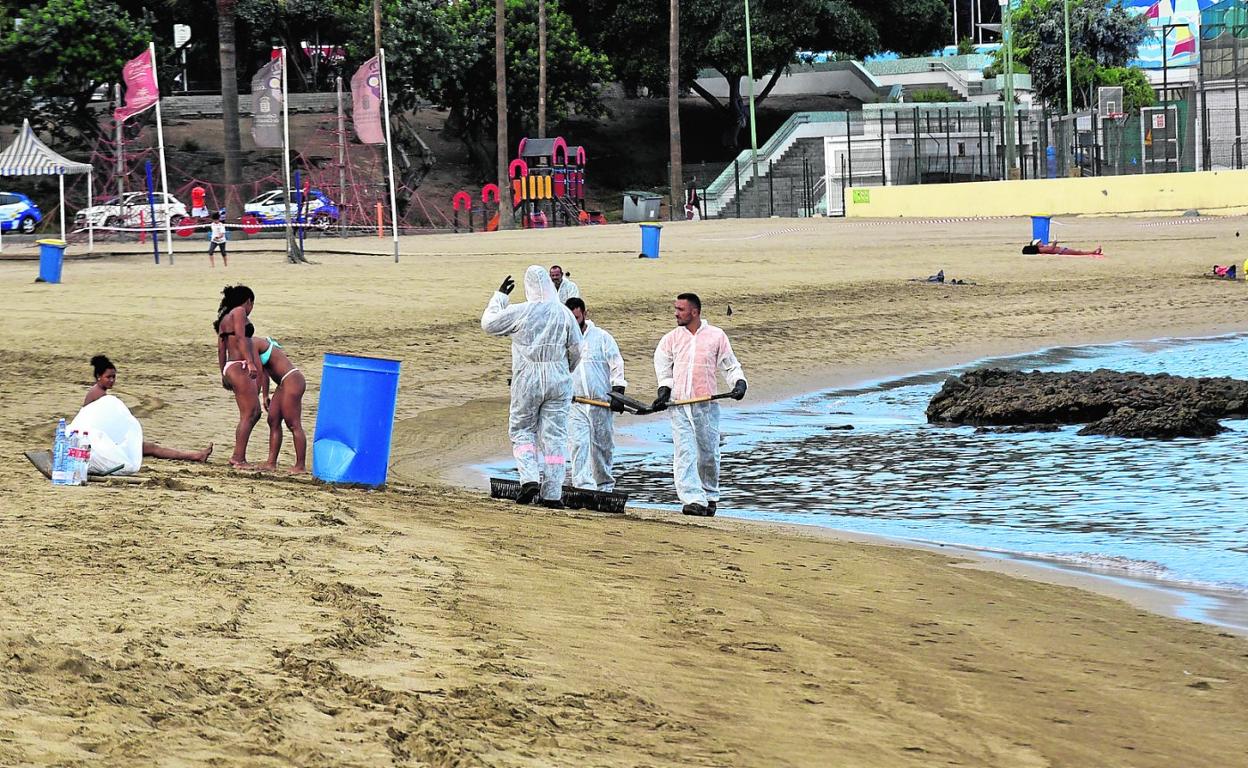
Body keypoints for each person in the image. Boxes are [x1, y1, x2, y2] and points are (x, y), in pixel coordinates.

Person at [482, 265, 582, 507]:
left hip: (527, 378)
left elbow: (488, 324)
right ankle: (552, 493)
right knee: (556, 437)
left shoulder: (522, 311)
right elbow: (576, 348)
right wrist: (564, 370)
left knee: (522, 431)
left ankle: (528, 478)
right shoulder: (564, 313)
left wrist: (499, 297)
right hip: (558, 378)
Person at [651, 292, 747, 517]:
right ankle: (692, 498)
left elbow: (730, 365)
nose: (676, 313)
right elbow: (662, 361)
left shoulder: (716, 336)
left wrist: (739, 383)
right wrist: (665, 387)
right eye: (675, 309)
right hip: (679, 404)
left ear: (694, 312)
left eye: (680, 310)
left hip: (705, 405)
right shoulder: (672, 338)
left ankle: (710, 495)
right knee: (684, 451)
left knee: (708, 452)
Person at [84, 354, 213, 462]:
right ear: (98, 377)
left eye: (114, 377)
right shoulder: (98, 394)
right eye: (108, 377)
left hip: (102, 440)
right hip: (100, 443)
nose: (112, 380)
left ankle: (195, 455)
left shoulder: (97, 392)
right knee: (152, 448)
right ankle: (195, 456)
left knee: (150, 447)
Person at [565, 297, 626, 493]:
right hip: (576, 404)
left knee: (602, 447)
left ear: (584, 314)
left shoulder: (602, 337)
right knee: (578, 445)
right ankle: (582, 486)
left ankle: (604, 487)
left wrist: (618, 392)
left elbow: (616, 364)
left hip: (601, 403)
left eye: (577, 317)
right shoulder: (563, 339)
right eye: (570, 318)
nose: (574, 322)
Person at [214, 285, 263, 468]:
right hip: (239, 364)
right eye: (252, 304)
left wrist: (223, 372)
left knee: (252, 413)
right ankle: (238, 458)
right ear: (248, 301)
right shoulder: (240, 311)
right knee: (250, 412)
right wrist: (250, 362)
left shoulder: (224, 318)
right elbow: (242, 339)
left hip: (230, 365)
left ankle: (238, 455)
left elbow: (220, 348)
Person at [252, 335, 308, 474]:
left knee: (293, 424)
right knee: (273, 420)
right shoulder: (253, 345)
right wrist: (265, 395)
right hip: (283, 383)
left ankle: (300, 465)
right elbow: (264, 372)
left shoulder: (253, 343)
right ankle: (271, 463)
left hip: (292, 379)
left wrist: (255, 394)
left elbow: (258, 372)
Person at [1022, 240, 1102, 256]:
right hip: (1062, 251)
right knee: (1078, 252)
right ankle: (1094, 252)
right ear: (1037, 245)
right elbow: (1051, 249)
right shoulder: (1040, 249)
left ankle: (1093, 252)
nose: (1041, 243)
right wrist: (1054, 243)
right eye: (1040, 242)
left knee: (1078, 252)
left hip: (1062, 250)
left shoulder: (1041, 248)